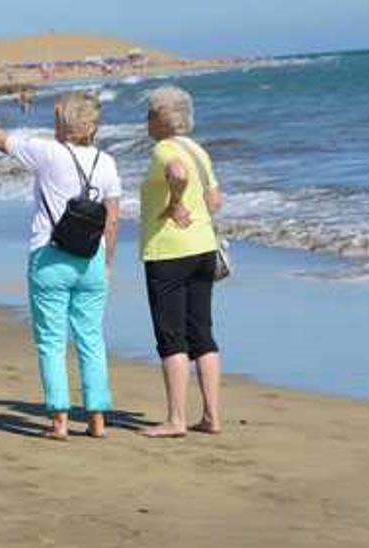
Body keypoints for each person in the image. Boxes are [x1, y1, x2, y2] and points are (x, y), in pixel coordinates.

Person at [0, 92, 120, 440]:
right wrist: (107, 263)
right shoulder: (107, 163)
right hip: (91, 260)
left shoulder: (48, 152)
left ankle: (60, 421)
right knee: (91, 338)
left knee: (51, 340)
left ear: (63, 122)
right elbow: (112, 220)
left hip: (50, 256)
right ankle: (97, 419)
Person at [138, 85, 225, 438]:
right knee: (202, 334)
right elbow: (216, 200)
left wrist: (174, 201)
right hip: (203, 248)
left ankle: (176, 419)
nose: (145, 120)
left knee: (172, 338)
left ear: (162, 119)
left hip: (168, 252)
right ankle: (212, 417)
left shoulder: (165, 149)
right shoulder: (198, 150)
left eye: (149, 114)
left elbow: (176, 172)